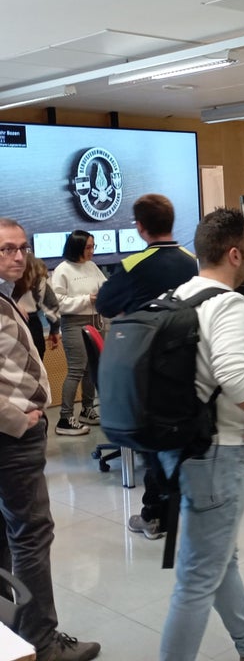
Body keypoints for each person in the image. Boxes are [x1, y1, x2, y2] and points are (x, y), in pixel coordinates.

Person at [157, 208, 244, 661]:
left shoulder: (180, 296)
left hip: (182, 447)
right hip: (217, 451)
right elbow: (233, 373)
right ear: (234, 254)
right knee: (197, 577)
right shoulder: (229, 303)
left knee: (216, 555)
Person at [0, 217, 101, 661]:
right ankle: (41, 642)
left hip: (13, 432)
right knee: (31, 535)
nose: (18, 256)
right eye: (6, 248)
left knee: (8, 536)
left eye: (22, 247)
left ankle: (13, 636)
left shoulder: (10, 295)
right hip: (11, 437)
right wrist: (17, 420)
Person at [96, 194, 198, 541]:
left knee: (155, 438)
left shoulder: (133, 264)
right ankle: (184, 509)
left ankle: (155, 515)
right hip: (190, 360)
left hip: (147, 365)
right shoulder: (192, 261)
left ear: (140, 227)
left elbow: (105, 304)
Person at [51, 231, 107, 437]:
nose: (92, 251)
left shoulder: (92, 266)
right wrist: (87, 299)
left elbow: (104, 286)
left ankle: (87, 410)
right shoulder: (62, 270)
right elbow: (58, 302)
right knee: (76, 369)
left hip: (96, 321)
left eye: (93, 246)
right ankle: (65, 418)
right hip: (73, 323)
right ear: (77, 248)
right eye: (88, 247)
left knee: (92, 368)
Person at [13, 253, 60, 360]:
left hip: (7, 323)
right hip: (32, 325)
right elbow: (52, 306)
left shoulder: (6, 276)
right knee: (35, 363)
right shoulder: (37, 276)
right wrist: (54, 330)